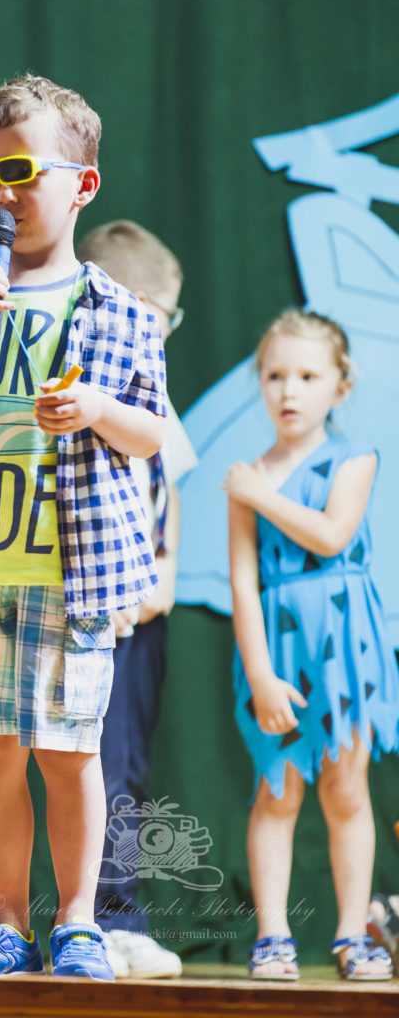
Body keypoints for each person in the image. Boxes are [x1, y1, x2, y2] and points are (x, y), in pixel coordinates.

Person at [0, 75, 167, 980]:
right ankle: (4, 923)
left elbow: (151, 434)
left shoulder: (119, 310)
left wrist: (95, 409)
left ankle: (79, 922)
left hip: (69, 572)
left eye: (18, 171)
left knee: (68, 751)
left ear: (82, 184)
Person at [223, 309, 399, 981]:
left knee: (347, 790)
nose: (288, 390)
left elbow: (330, 535)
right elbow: (243, 585)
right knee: (278, 792)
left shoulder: (355, 458)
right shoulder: (248, 477)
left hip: (347, 648)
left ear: (340, 387)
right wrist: (261, 676)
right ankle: (273, 937)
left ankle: (354, 935)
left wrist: (259, 495)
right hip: (277, 652)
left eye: (306, 376)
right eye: (275, 376)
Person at [75, 221, 196, 979]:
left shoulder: (150, 393)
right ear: (138, 307)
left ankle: (120, 915)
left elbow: (167, 481)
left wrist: (167, 567)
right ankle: (97, 922)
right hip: (94, 612)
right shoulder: (77, 389)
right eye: (167, 316)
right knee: (92, 770)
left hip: (143, 619)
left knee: (129, 771)